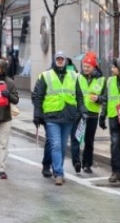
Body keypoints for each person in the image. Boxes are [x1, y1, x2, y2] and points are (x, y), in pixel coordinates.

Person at [32, 50, 84, 186]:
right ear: (54, 60)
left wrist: (81, 111)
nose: (60, 61)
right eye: (58, 59)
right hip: (51, 116)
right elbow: (38, 96)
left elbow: (79, 95)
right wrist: (37, 114)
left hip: (68, 115)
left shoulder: (74, 76)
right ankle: (59, 174)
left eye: (62, 59)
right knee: (55, 144)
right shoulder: (45, 76)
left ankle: (57, 169)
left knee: (61, 146)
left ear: (66, 61)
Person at [71, 52, 104, 174]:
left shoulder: (101, 80)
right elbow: (75, 94)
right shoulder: (78, 77)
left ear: (94, 67)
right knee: (75, 137)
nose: (85, 68)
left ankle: (87, 164)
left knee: (89, 140)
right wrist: (79, 109)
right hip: (78, 113)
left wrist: (99, 99)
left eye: (88, 66)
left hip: (93, 113)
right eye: (84, 66)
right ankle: (76, 162)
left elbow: (105, 96)